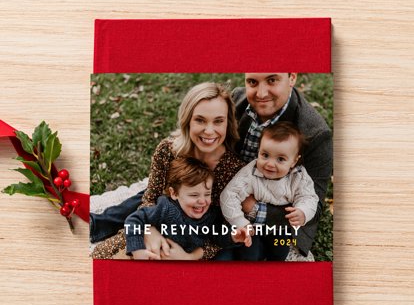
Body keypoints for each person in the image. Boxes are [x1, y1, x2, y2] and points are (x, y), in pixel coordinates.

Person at [91, 82, 245, 260]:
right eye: (200, 120)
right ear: (187, 120)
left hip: (195, 245)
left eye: (218, 121)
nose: (209, 131)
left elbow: (223, 233)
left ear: (228, 122)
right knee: (102, 258)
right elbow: (149, 199)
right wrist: (150, 231)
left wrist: (192, 256)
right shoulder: (168, 150)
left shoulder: (234, 170)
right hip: (158, 224)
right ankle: (98, 225)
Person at [232, 73, 332, 260]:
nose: (261, 93)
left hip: (278, 219)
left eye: (272, 80)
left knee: (280, 255)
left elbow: (314, 207)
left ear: (292, 77)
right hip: (233, 200)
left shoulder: (316, 133)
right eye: (252, 82)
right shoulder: (236, 100)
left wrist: (253, 208)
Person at [220, 122, 319, 261]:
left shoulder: (298, 176)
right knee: (249, 255)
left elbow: (308, 197)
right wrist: (240, 222)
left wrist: (303, 211)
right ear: (258, 151)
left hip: (279, 228)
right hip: (252, 225)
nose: (270, 164)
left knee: (280, 251)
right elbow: (229, 195)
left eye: (280, 159)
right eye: (265, 155)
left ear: (294, 161)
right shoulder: (251, 172)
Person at [125, 157, 250, 260]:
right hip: (153, 255)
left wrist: (233, 236)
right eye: (194, 195)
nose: (202, 201)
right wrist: (138, 251)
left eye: (207, 194)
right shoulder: (166, 208)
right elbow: (134, 220)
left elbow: (216, 236)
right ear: (174, 194)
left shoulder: (209, 216)